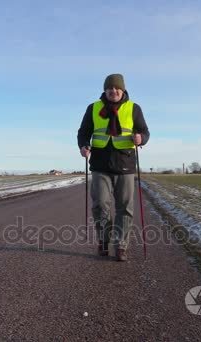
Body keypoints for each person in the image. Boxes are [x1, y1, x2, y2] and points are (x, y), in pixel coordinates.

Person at [77, 74, 150, 261]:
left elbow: (144, 131)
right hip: (100, 164)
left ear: (123, 89)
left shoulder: (134, 108)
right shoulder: (93, 108)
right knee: (100, 205)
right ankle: (103, 241)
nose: (113, 91)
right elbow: (83, 132)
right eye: (110, 88)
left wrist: (141, 138)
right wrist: (84, 145)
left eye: (117, 88)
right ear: (105, 90)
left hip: (125, 164)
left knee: (125, 208)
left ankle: (121, 246)